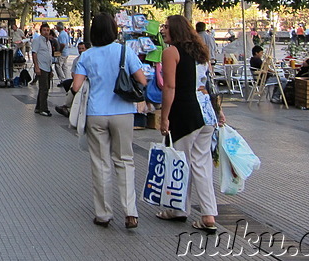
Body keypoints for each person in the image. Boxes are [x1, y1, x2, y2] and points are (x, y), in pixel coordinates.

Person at [71, 13, 145, 229]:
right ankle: (130, 212)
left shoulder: (87, 56)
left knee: (100, 163)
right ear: (114, 30)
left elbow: (76, 87)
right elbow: (141, 79)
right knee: (125, 161)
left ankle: (103, 213)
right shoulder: (124, 51)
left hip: (96, 113)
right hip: (123, 112)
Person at [158, 15, 224, 234]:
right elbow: (209, 84)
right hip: (205, 115)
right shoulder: (201, 52)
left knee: (180, 163)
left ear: (175, 30)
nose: (163, 30)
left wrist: (164, 116)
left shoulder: (171, 52)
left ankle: (177, 209)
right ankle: (208, 214)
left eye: (166, 27)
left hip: (184, 113)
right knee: (201, 165)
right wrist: (219, 111)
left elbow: (169, 87)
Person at [55, 41, 87, 117]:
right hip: (78, 79)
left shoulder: (89, 58)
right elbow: (73, 72)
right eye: (79, 49)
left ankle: (66, 106)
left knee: (73, 88)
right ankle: (68, 107)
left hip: (86, 80)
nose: (81, 50)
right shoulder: (76, 60)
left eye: (83, 48)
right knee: (67, 84)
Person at [31, 23, 54, 116]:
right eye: (44, 30)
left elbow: (49, 55)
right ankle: (43, 108)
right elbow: (34, 53)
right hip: (41, 67)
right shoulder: (37, 41)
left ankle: (38, 107)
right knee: (44, 88)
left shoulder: (48, 42)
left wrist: (51, 69)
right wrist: (36, 67)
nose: (46, 32)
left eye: (48, 30)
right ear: (41, 31)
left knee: (45, 87)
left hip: (47, 67)